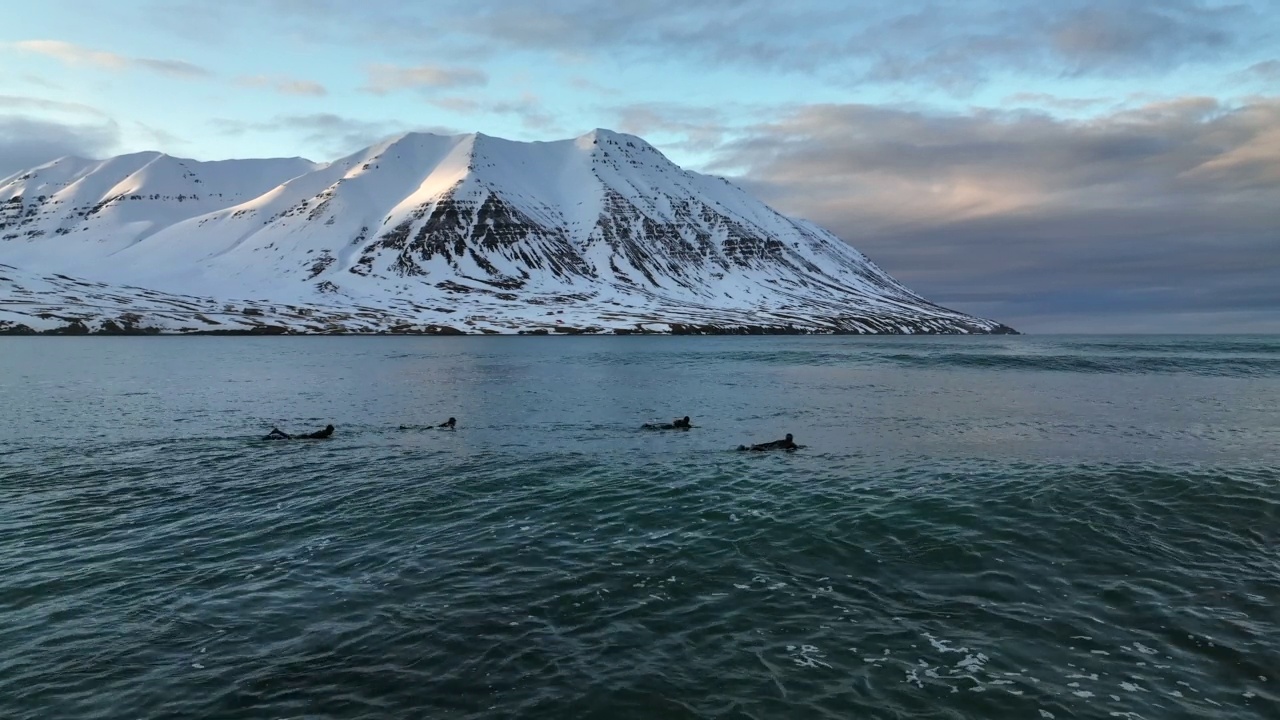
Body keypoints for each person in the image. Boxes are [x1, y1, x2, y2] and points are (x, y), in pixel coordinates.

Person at [265, 424, 334, 440]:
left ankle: (275, 436)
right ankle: (277, 431)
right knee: (290, 438)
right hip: (305, 437)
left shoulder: (323, 431)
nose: (332, 433)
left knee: (290, 437)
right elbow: (325, 438)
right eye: (331, 431)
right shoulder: (324, 434)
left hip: (305, 436)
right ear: (329, 430)